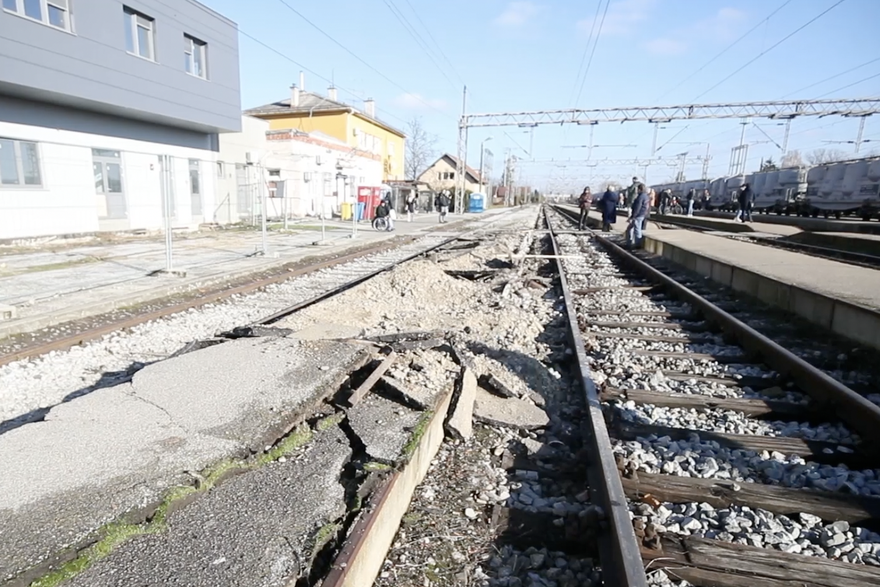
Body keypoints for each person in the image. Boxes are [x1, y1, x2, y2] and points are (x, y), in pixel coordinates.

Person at [626, 184, 650, 248]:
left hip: (638, 215)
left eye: (637, 189)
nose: (636, 190)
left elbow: (637, 207)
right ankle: (629, 242)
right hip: (641, 214)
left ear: (640, 189)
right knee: (630, 228)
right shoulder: (645, 196)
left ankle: (637, 244)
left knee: (637, 229)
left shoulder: (641, 197)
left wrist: (633, 216)